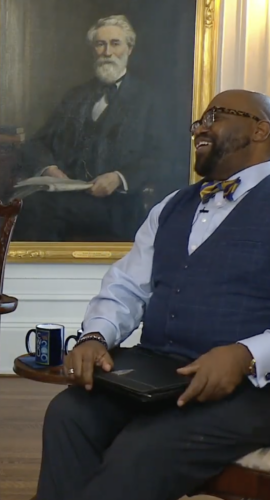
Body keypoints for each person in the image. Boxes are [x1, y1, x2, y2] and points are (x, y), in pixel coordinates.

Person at [36, 89, 270, 500]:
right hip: (157, 374)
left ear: (261, 130)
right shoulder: (172, 206)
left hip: (253, 390)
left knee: (140, 450)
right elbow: (127, 286)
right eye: (198, 122)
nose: (200, 128)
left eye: (215, 116)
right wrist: (95, 336)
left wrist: (246, 354)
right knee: (68, 414)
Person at [13, 14, 168, 242]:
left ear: (129, 49)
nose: (107, 52)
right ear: (93, 50)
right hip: (69, 197)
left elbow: (161, 156)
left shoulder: (148, 100)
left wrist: (119, 178)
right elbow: (38, 143)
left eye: (115, 44)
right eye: (100, 44)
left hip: (119, 203)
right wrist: (50, 169)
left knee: (40, 210)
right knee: (27, 205)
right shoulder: (75, 96)